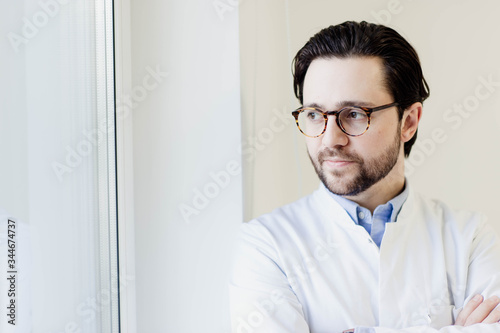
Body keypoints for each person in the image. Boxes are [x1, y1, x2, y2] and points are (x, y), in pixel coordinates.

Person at [229, 21, 500, 333]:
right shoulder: (266, 246)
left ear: (408, 122)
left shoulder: (469, 238)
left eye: (355, 114)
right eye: (315, 115)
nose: (330, 139)